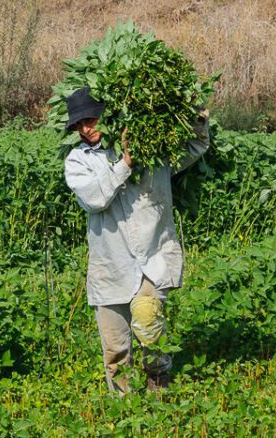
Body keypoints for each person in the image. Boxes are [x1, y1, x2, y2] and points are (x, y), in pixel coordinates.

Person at [62, 87, 209, 393]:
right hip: (111, 263)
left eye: (90, 119)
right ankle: (125, 407)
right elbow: (93, 198)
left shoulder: (149, 148)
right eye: (78, 124)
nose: (85, 128)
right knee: (116, 349)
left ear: (108, 113)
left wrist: (196, 118)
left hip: (154, 254)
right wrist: (125, 165)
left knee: (147, 321)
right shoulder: (78, 161)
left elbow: (195, 146)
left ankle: (159, 390)